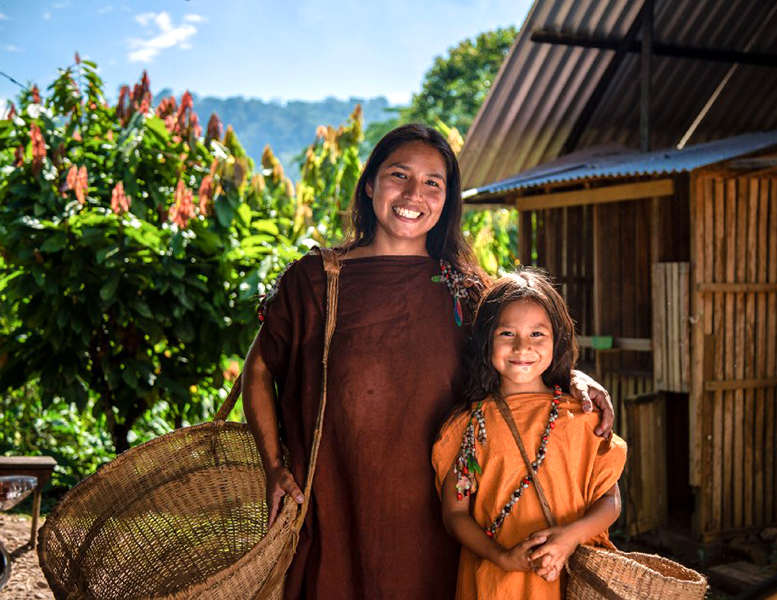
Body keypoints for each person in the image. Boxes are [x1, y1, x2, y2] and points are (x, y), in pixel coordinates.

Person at [243, 124, 615, 600]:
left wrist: (574, 376)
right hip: (335, 507)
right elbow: (258, 369)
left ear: (447, 200)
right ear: (371, 184)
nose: (413, 194)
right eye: (399, 175)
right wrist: (275, 467)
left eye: (433, 183)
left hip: (445, 519)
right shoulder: (316, 280)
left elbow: (518, 349)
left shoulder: (465, 289)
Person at [432, 269, 627, 599]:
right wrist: (502, 558)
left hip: (568, 580)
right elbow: (455, 513)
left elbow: (610, 500)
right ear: (486, 340)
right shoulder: (472, 427)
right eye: (507, 333)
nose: (523, 346)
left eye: (538, 334)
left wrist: (570, 537)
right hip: (497, 583)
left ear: (558, 340)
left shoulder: (581, 417)